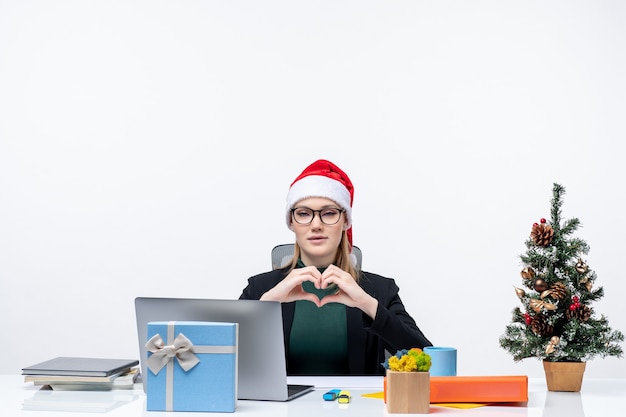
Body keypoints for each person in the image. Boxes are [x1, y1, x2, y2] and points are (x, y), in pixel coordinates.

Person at [239, 159, 431, 375]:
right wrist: (266, 305)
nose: (316, 224)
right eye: (303, 214)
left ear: (345, 221)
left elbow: (428, 358)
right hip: (281, 410)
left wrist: (367, 304)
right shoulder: (260, 288)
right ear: (291, 223)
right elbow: (219, 361)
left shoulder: (379, 290)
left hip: (358, 407)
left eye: (329, 213)